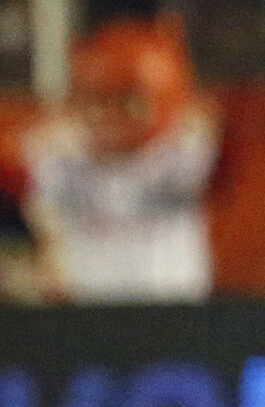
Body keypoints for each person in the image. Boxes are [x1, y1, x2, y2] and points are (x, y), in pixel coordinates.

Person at [18, 16, 219, 303]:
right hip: (87, 314)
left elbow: (200, 117)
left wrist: (164, 68)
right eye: (101, 100)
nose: (114, 113)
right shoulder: (57, 156)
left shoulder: (181, 148)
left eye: (128, 100)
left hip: (175, 311)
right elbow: (40, 145)